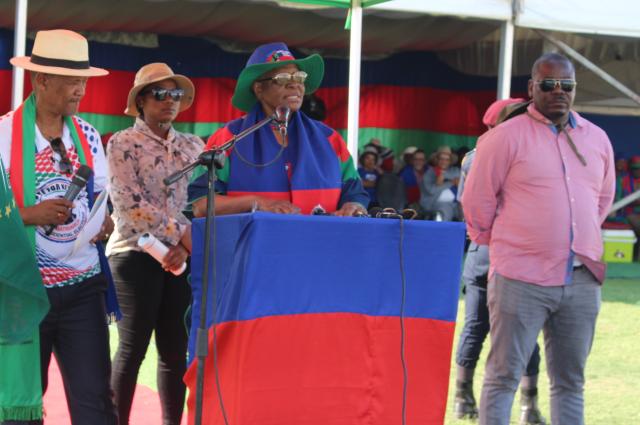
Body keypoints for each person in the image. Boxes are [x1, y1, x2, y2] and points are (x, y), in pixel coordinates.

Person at [462, 53, 615, 425]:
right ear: (532, 89)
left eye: (566, 85)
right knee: (503, 377)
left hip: (580, 277)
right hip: (520, 276)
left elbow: (602, 200)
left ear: (575, 89)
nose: (558, 91)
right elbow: (477, 201)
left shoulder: (597, 138)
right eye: (548, 84)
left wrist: (568, 236)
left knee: (570, 382)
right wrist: (507, 243)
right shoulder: (504, 137)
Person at [0, 29, 117, 424]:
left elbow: (100, 196)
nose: (81, 89)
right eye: (72, 80)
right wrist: (30, 216)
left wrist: (105, 222)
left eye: (83, 80)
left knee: (95, 401)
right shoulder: (2, 136)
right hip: (22, 291)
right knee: (20, 403)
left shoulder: (86, 135)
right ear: (41, 80)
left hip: (83, 285)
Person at [106, 63, 204, 425]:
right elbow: (127, 206)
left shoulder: (195, 145)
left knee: (175, 352)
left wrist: (186, 242)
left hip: (181, 257)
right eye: (160, 94)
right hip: (133, 253)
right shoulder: (122, 142)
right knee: (132, 349)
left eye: (175, 94)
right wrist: (180, 233)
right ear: (141, 101)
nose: (170, 101)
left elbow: (201, 202)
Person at [189, 42, 368, 216]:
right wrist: (256, 203)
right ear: (259, 88)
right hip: (254, 245)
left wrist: (353, 205)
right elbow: (200, 204)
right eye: (282, 79)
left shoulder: (330, 139)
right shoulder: (228, 138)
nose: (294, 84)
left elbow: (354, 192)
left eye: (299, 77)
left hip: (319, 242)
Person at [454, 98, 546, 425]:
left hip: (482, 255)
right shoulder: (513, 154)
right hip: (510, 255)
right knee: (522, 331)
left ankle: (463, 398)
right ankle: (528, 405)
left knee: (476, 327)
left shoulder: (472, 157)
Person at [419, 146, 461, 221]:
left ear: (450, 161)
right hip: (433, 204)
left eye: (447, 159)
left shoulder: (455, 170)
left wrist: (444, 178)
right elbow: (432, 191)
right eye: (441, 159)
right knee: (444, 209)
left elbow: (461, 182)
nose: (444, 162)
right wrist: (451, 182)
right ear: (437, 160)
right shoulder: (429, 173)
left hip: (455, 204)